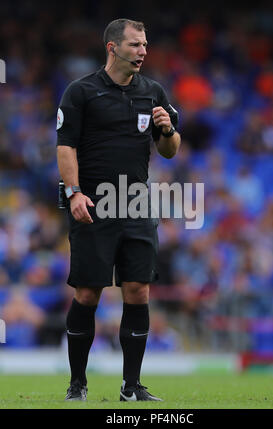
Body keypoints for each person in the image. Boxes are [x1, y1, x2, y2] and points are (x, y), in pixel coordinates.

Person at [56, 18, 181, 402]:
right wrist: (74, 193)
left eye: (144, 45)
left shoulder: (154, 92)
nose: (143, 51)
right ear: (113, 47)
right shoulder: (81, 92)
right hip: (94, 203)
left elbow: (170, 151)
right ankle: (78, 383)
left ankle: (132, 387)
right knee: (89, 294)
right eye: (135, 45)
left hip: (137, 203)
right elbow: (65, 147)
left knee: (138, 290)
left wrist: (167, 129)